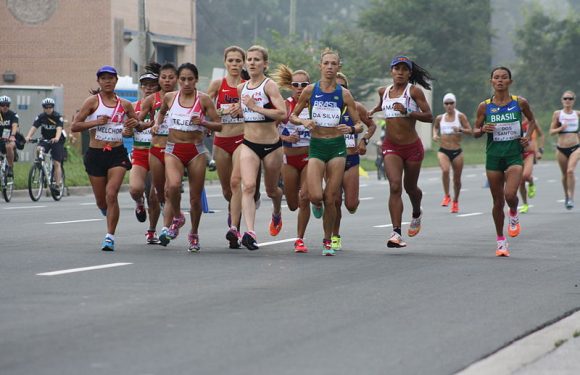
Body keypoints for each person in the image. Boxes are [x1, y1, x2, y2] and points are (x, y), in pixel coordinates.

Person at [290, 48, 363, 256]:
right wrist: (304, 121)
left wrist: (350, 129)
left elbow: (359, 124)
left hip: (337, 147)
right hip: (317, 146)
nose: (330, 67)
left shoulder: (344, 94)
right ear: (320, 66)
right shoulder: (310, 91)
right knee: (314, 195)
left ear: (339, 67)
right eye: (326, 63)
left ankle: (328, 240)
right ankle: (317, 205)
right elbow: (293, 116)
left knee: (331, 197)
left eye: (334, 64)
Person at [155, 62, 222, 252]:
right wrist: (156, 125)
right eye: (182, 79)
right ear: (178, 80)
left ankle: (193, 233)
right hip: (173, 149)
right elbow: (161, 114)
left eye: (190, 79)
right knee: (173, 186)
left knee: (194, 198)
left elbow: (219, 125)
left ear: (196, 80)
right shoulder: (169, 97)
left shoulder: (204, 100)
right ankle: (178, 216)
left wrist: (203, 122)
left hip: (196, 151)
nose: (186, 83)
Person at [71, 65, 139, 251]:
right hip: (95, 155)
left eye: (111, 78)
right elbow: (75, 126)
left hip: (116, 154)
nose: (107, 81)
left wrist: (131, 127)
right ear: (99, 81)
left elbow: (136, 127)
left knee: (112, 193)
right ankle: (105, 209)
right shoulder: (92, 102)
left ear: (116, 80)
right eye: (103, 78)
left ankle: (109, 236)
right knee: (102, 200)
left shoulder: (125, 105)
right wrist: (95, 122)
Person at [369, 56, 433, 248]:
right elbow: (384, 105)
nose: (400, 72)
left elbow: (429, 116)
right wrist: (373, 109)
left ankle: (416, 212)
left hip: (412, 147)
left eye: (404, 69)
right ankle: (396, 233)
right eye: (397, 69)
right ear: (391, 71)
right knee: (395, 186)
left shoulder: (414, 91)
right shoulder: (384, 91)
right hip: (391, 146)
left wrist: (408, 112)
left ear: (409, 73)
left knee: (410, 188)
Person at [474, 66, 536, 257]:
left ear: (510, 81)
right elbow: (475, 131)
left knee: (510, 195)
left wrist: (527, 136)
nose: (500, 80)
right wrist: (483, 129)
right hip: (493, 157)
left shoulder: (520, 102)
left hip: (513, 156)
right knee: (497, 201)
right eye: (496, 78)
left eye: (504, 77)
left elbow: (532, 121)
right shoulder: (484, 106)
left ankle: (514, 212)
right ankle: (501, 241)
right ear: (491, 81)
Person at [229, 45, 286, 251]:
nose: (252, 63)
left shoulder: (269, 86)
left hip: (271, 145)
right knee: (249, 187)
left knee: (272, 190)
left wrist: (255, 107)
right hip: (249, 143)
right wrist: (240, 112)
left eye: (256, 60)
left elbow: (282, 113)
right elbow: (246, 113)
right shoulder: (241, 88)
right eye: (249, 59)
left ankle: (277, 212)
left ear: (265, 64)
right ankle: (250, 232)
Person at [207, 46, 259, 249]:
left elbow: (257, 112)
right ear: (225, 62)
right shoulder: (217, 84)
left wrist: (243, 110)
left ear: (244, 63)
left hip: (241, 138)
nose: (235, 65)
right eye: (231, 61)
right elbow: (203, 105)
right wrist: (215, 114)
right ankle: (233, 213)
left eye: (239, 61)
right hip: (221, 140)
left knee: (237, 182)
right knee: (228, 190)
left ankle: (235, 228)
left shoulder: (248, 86)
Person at [331, 72, 377, 251]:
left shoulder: (356, 107)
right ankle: (335, 235)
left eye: (344, 87)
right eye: (337, 86)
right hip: (333, 156)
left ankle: (352, 202)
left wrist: (364, 140)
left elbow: (371, 125)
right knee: (334, 200)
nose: (340, 90)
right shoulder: (325, 107)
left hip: (351, 157)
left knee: (350, 204)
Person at [272, 64, 312, 253]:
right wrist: (285, 138)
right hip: (288, 159)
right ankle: (277, 213)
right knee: (293, 205)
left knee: (304, 198)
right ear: (291, 86)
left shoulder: (315, 106)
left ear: (309, 86)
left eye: (303, 84)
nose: (299, 88)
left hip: (309, 157)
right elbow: (269, 130)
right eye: (296, 84)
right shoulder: (284, 105)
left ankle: (299, 239)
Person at [137, 62, 178, 225]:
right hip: (155, 148)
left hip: (176, 149)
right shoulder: (151, 100)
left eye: (171, 77)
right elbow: (137, 123)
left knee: (170, 189)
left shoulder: (184, 96)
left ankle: (166, 228)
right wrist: (141, 125)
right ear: (159, 80)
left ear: (176, 79)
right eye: (164, 77)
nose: (167, 81)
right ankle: (164, 208)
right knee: (156, 193)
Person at [128, 72, 162, 243]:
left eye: (152, 84)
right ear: (141, 87)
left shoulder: (163, 105)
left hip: (157, 153)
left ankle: (151, 230)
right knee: (135, 189)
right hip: (140, 153)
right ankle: (139, 202)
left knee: (154, 196)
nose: (148, 87)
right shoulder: (133, 107)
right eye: (145, 84)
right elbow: (125, 131)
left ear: (158, 86)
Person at [432, 93, 473, 213]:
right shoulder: (440, 117)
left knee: (457, 180)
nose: (449, 105)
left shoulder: (460, 116)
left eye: (451, 103)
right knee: (445, 170)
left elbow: (470, 131)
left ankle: (455, 201)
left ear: (455, 104)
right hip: (443, 150)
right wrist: (435, 135)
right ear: (444, 105)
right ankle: (446, 196)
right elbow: (435, 127)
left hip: (457, 151)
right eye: (446, 103)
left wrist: (460, 129)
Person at [25, 98, 65, 196]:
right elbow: (34, 127)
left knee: (56, 162)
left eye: (50, 107)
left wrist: (56, 137)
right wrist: (28, 136)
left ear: (53, 107)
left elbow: (59, 129)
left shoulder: (57, 117)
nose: (48, 109)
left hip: (57, 140)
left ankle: (58, 184)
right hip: (46, 139)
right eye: (46, 107)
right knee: (39, 149)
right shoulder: (40, 117)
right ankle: (40, 164)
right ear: (43, 108)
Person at [549, 90, 579, 210]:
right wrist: (561, 128)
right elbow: (551, 132)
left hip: (576, 147)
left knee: (570, 171)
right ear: (562, 100)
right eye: (565, 98)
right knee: (564, 174)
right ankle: (566, 195)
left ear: (573, 101)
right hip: (561, 148)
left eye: (570, 98)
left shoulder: (577, 114)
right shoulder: (557, 114)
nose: (568, 100)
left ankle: (571, 197)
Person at [518, 116, 544, 213]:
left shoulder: (532, 121)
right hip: (517, 154)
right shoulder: (513, 121)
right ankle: (525, 204)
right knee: (520, 181)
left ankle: (531, 182)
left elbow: (541, 135)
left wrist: (540, 150)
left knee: (525, 175)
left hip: (529, 153)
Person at [0, 95, 19, 177]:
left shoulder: (13, 115)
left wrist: (12, 135)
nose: (5, 107)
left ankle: (10, 167)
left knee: (9, 146)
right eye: (3, 105)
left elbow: (15, 126)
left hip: (10, 138)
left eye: (7, 105)